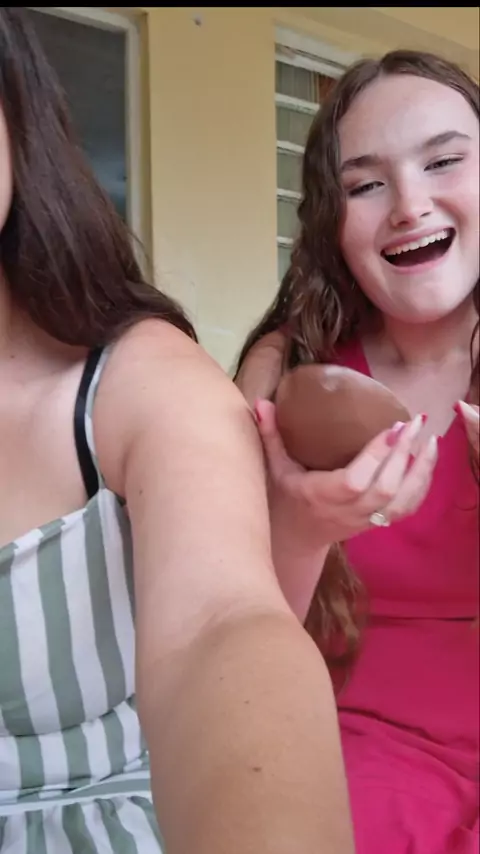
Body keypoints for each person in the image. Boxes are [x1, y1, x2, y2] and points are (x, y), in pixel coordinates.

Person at [0, 9, 356, 853]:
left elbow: (224, 625)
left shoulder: (141, 377)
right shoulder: (281, 350)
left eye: (446, 161)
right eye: (366, 182)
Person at [235, 49, 479, 854]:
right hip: (360, 748)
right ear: (330, 224)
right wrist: (305, 528)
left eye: (443, 161)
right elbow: (228, 634)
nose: (410, 204)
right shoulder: (290, 372)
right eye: (366, 185)